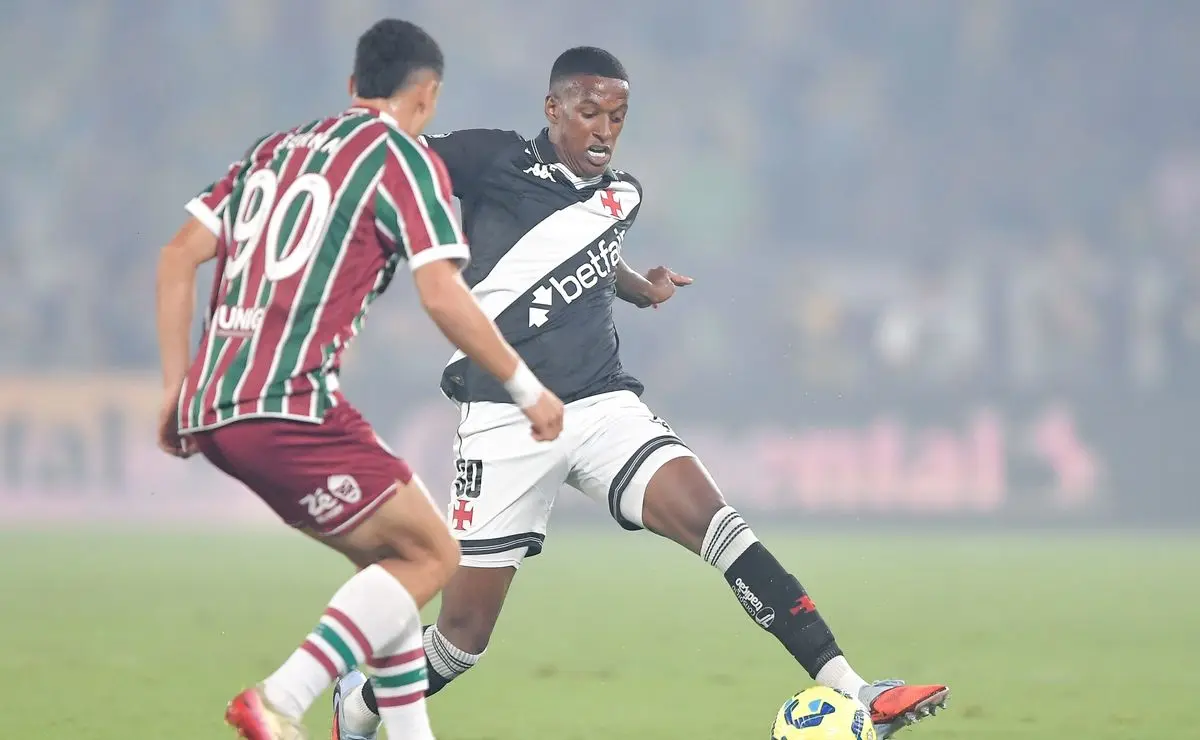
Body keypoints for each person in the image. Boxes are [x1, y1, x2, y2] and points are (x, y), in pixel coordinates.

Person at [330, 47, 949, 740]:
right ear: (553, 108)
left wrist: (640, 288)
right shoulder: (493, 159)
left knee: (721, 526)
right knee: (463, 638)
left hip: (602, 405)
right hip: (505, 420)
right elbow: (395, 156)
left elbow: (592, 250)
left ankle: (855, 689)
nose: (603, 130)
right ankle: (358, 707)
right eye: (589, 113)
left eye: (617, 117)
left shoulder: (621, 194)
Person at [155, 19, 563, 740]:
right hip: (289, 406)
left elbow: (176, 257)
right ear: (428, 97)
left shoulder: (272, 150)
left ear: (352, 88)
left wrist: (174, 388)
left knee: (391, 563)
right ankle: (281, 698)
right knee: (434, 555)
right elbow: (442, 295)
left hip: (213, 406)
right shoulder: (404, 161)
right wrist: (527, 388)